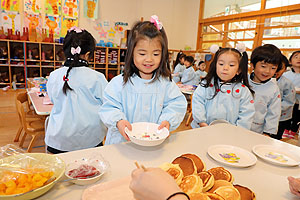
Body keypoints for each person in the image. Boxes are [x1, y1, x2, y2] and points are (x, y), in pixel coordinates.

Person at [99, 16, 187, 145]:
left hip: (154, 143)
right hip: (121, 143)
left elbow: (176, 104)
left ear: (163, 54)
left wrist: (168, 120)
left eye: (155, 54)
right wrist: (118, 121)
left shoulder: (166, 83)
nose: (149, 59)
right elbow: (109, 107)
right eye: (142, 54)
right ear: (131, 53)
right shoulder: (118, 83)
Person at [45, 27, 108, 153]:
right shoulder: (97, 78)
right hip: (90, 140)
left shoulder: (54, 76)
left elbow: (53, 99)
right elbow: (107, 104)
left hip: (58, 140)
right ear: (88, 54)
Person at [191, 45, 255, 130]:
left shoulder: (243, 91)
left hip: (231, 135)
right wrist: (202, 122)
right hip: (203, 129)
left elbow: (247, 114)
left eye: (231, 65)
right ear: (215, 65)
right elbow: (198, 102)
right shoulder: (206, 85)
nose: (225, 68)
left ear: (239, 70)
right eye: (221, 64)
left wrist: (238, 131)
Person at [249, 44, 282, 136]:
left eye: (273, 68)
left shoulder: (273, 89)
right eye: (263, 66)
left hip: (257, 131)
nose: (267, 71)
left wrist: (268, 132)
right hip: (238, 126)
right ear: (252, 65)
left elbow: (274, 113)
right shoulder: (243, 82)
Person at [275, 54, 296, 139]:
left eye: (280, 68)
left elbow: (289, 101)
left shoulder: (287, 83)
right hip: (266, 116)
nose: (276, 71)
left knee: (276, 137)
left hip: (281, 117)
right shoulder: (265, 81)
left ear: (285, 69)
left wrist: (274, 108)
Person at [283, 50, 300, 138]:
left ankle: (293, 132)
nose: (299, 59)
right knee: (288, 115)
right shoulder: (286, 75)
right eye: (296, 57)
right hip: (288, 100)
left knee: (297, 117)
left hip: (299, 102)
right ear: (290, 61)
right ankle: (285, 130)